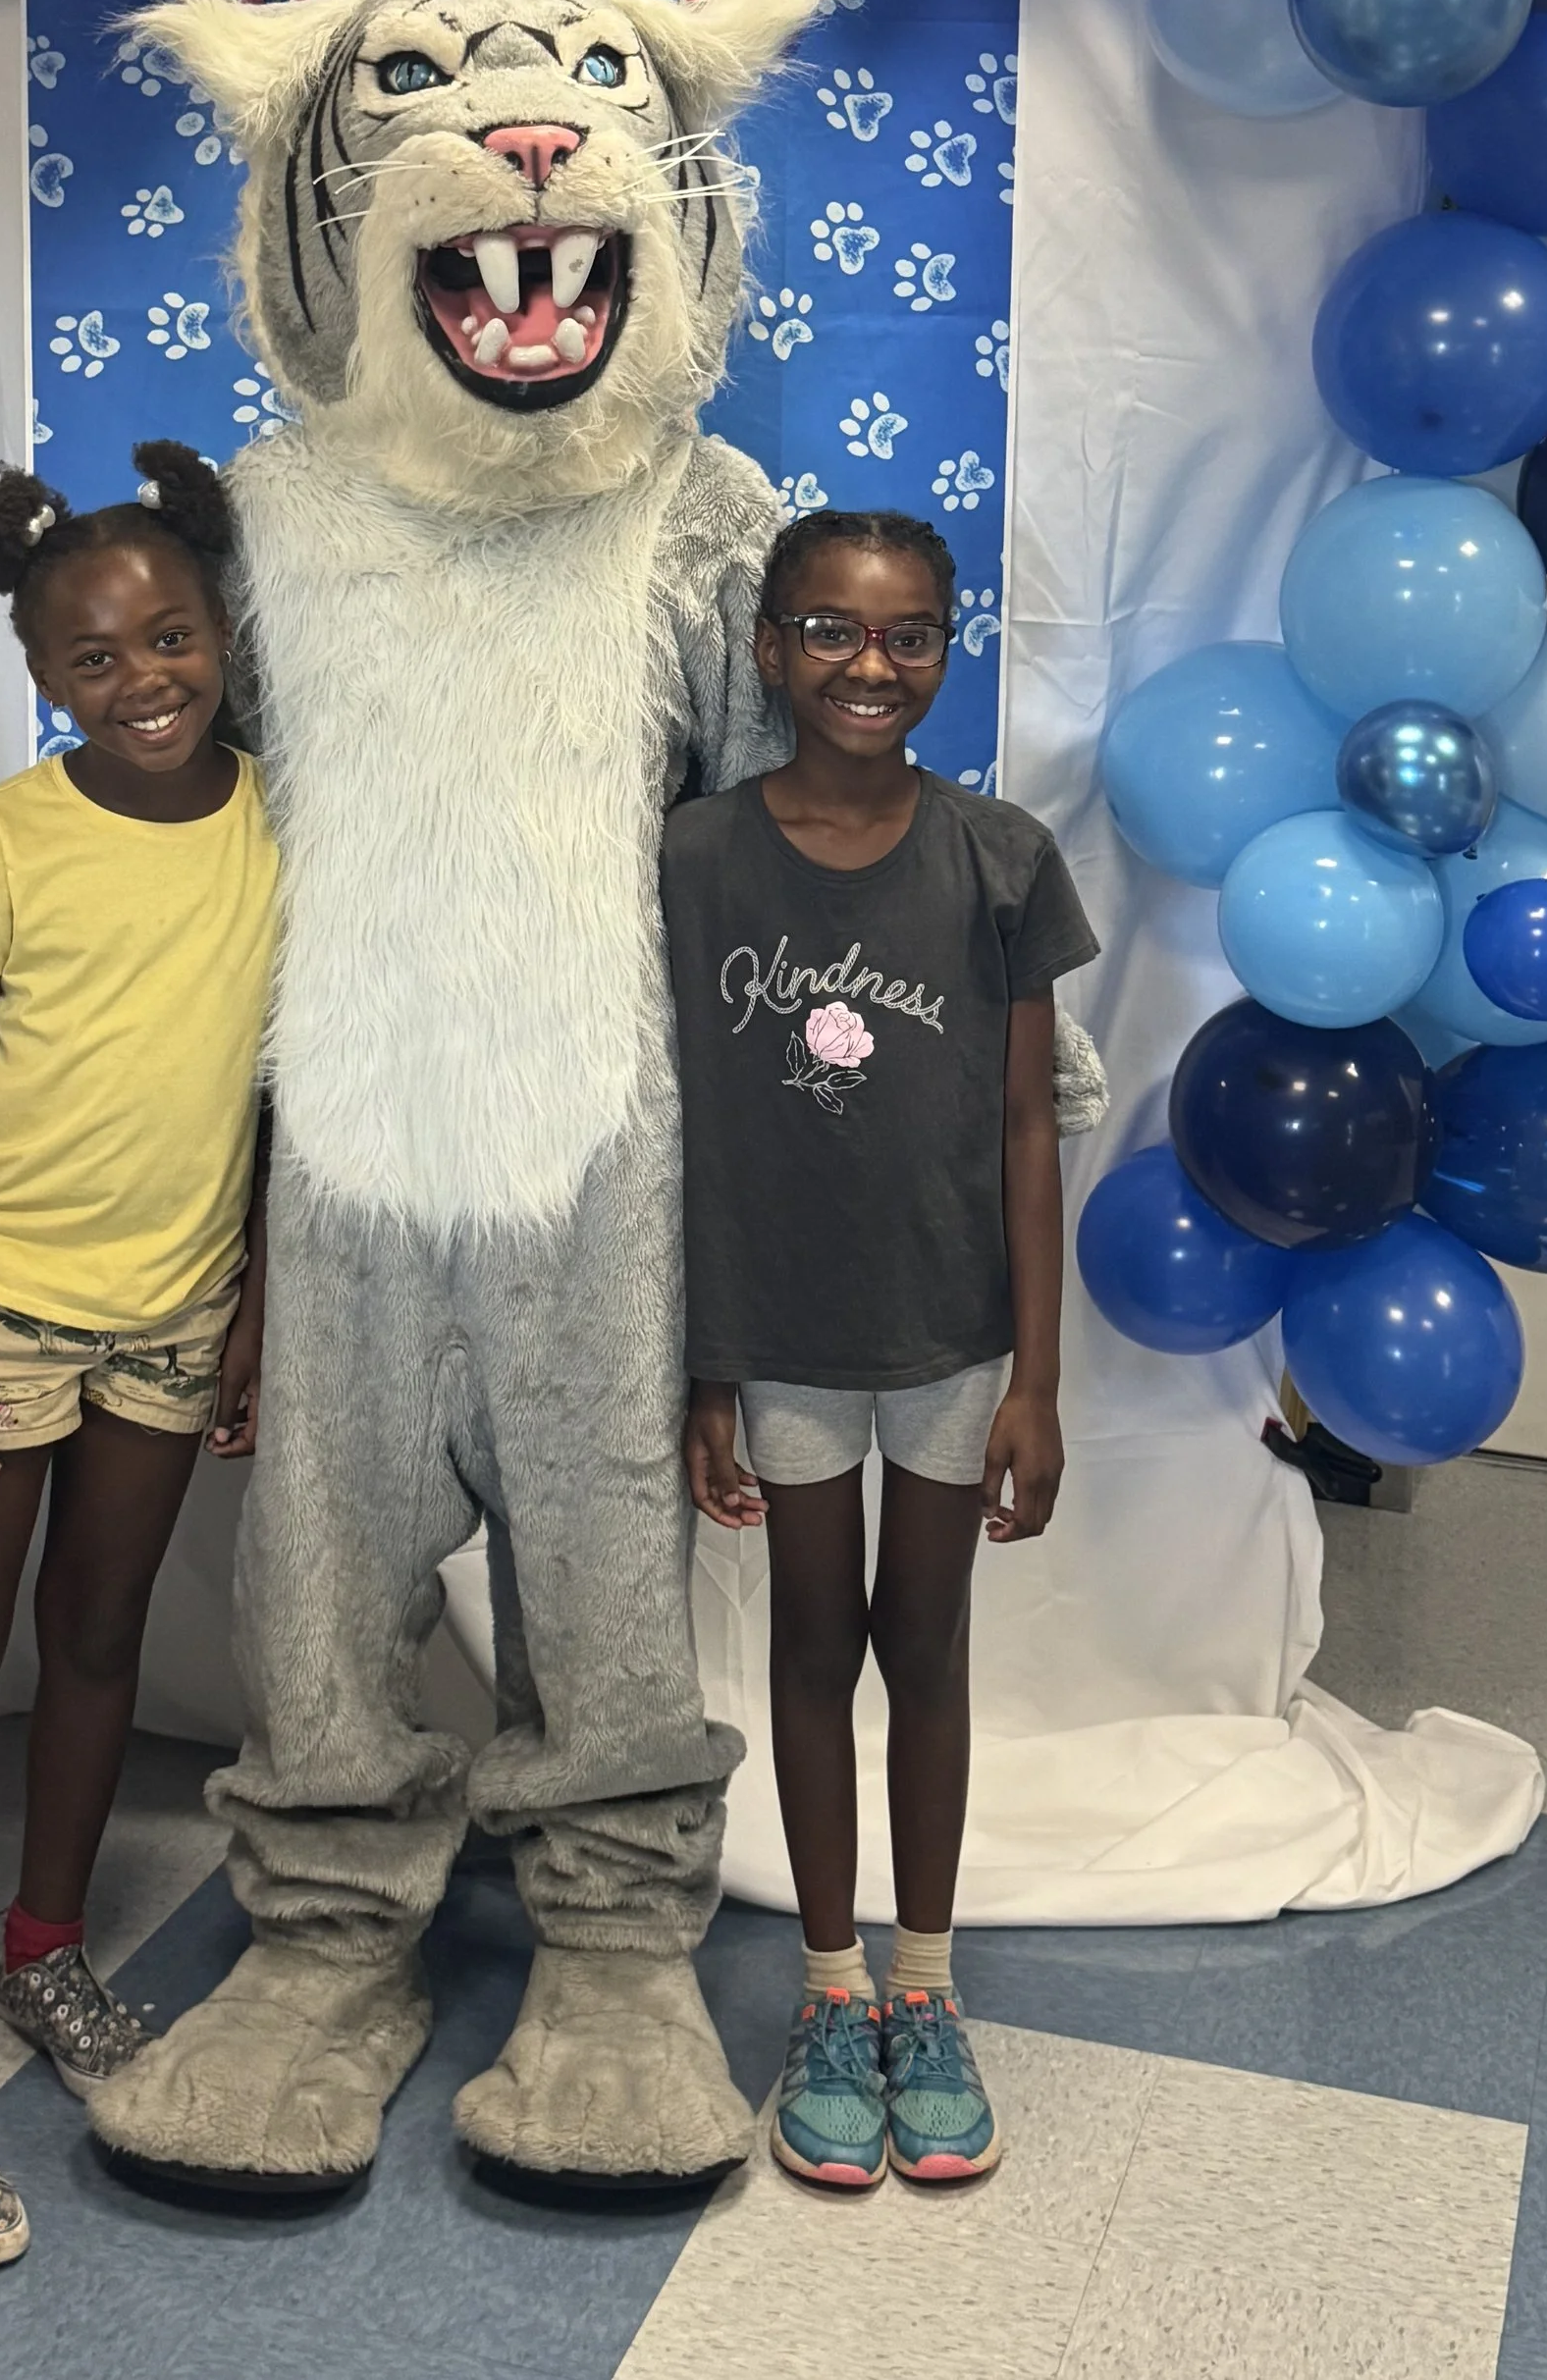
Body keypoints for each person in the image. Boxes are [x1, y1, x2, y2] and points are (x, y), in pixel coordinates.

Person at [0, 440, 277, 2269]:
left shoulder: (278, 821)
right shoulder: (7, 835)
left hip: (171, 1314)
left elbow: (272, 1090)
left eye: (169, 638)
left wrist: (245, 1299)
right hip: (0, 1313)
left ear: (220, 635)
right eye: (94, 661)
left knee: (102, 1638)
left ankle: (44, 1957)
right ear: (41, 679)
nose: (143, 680)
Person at [663, 506, 1098, 2194]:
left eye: (910, 633)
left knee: (928, 1648)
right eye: (833, 631)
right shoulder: (694, 858)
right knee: (805, 1653)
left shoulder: (1001, 857)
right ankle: (826, 1999)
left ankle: (927, 1985)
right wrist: (707, 1368)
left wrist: (1040, 1382)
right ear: (771, 649)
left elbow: (1026, 1128)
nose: (871, 664)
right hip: (776, 1340)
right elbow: (678, 1130)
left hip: (950, 1343)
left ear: (945, 651)